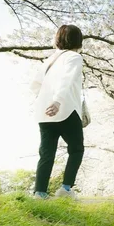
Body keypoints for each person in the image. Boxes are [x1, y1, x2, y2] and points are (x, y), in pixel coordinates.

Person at [31, 25, 86, 199]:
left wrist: (46, 100)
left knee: (46, 152)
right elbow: (66, 79)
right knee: (76, 149)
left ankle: (40, 193)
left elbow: (34, 85)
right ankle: (66, 189)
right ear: (78, 40)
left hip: (43, 113)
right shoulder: (74, 57)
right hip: (66, 109)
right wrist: (57, 101)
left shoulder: (49, 60)